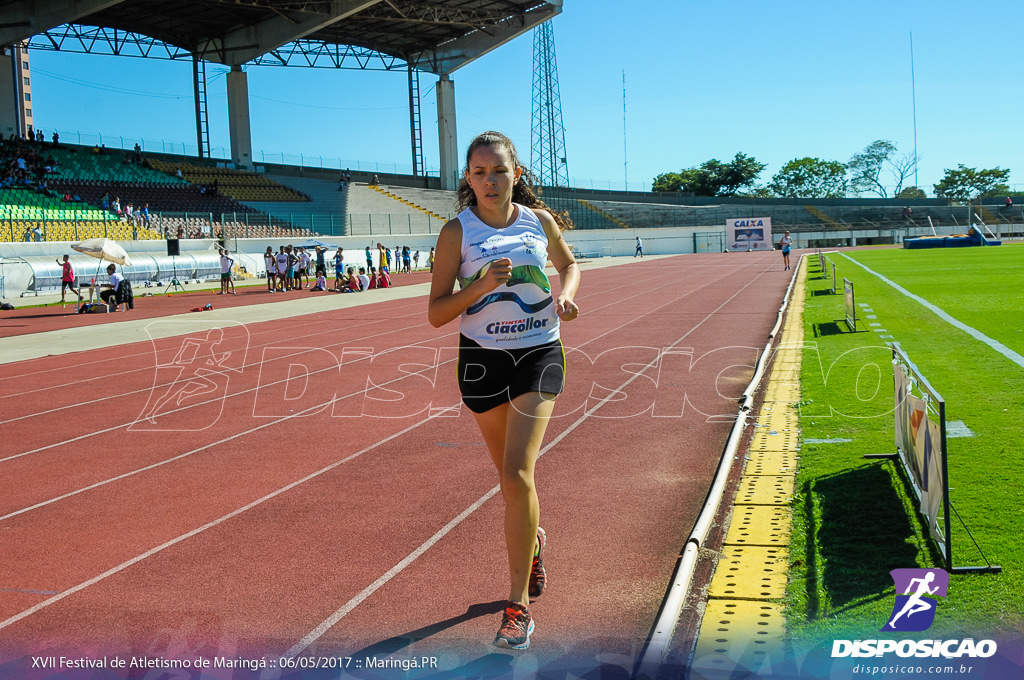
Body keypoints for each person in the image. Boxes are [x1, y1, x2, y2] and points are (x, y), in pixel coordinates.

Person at [427, 131, 580, 651]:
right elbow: (437, 313)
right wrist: (482, 286)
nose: (489, 182)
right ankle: (533, 542)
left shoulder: (539, 222)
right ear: (466, 179)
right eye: (478, 173)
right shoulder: (457, 232)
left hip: (539, 354)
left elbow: (570, 265)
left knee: (518, 475)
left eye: (498, 171)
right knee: (509, 482)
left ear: (517, 173)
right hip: (482, 363)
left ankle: (518, 608)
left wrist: (566, 296)